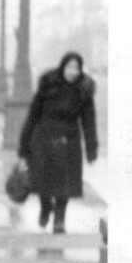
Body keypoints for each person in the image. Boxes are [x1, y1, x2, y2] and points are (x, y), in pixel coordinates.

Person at [17, 51, 99, 234]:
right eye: (70, 67)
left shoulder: (83, 90)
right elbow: (33, 116)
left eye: (76, 68)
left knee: (66, 182)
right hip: (44, 138)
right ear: (62, 67)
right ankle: (46, 207)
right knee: (43, 179)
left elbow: (89, 121)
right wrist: (24, 146)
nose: (73, 71)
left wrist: (91, 148)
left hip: (69, 140)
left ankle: (60, 217)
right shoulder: (48, 85)